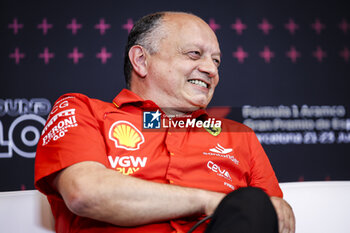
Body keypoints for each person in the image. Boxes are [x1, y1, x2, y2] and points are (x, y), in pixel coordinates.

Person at [35, 11, 295, 233]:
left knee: (253, 203)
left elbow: (276, 216)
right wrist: (213, 202)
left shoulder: (240, 135)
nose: (212, 70)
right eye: (194, 54)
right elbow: (86, 193)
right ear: (140, 60)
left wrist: (241, 207)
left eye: (216, 61)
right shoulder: (83, 111)